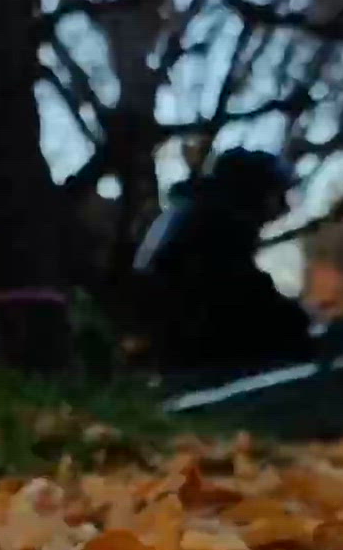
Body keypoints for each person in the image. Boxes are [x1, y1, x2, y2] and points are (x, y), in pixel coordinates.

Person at [132, 149, 313, 379]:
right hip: (201, 357)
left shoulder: (194, 213)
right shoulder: (216, 226)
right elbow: (241, 298)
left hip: (183, 348)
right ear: (255, 192)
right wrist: (298, 322)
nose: (283, 206)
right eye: (276, 194)